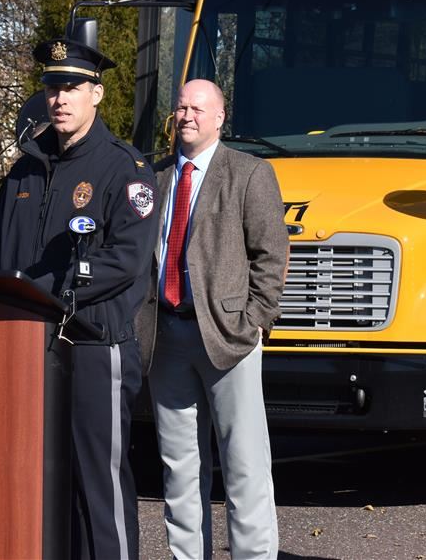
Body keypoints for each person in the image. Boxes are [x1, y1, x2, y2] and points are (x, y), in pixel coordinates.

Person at [0, 34, 158, 560]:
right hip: (25, 346)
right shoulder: (25, 170)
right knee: (36, 480)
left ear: (96, 94)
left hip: (93, 346)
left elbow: (124, 259)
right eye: (52, 86)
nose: (59, 98)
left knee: (97, 482)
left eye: (72, 86)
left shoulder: (125, 168)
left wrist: (46, 290)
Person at [135, 79, 288, 559]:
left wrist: (255, 321)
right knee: (179, 467)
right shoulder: (154, 177)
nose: (187, 116)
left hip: (228, 338)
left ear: (220, 117)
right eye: (181, 108)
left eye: (198, 108)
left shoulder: (249, 174)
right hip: (165, 337)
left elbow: (272, 255)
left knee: (244, 464)